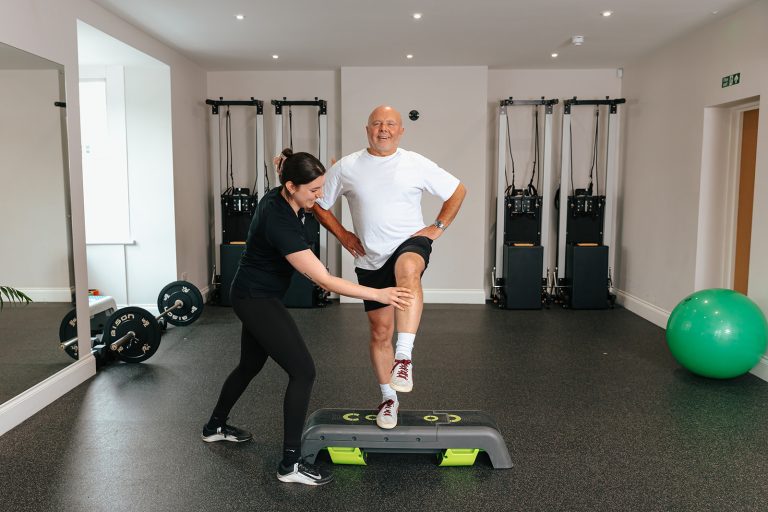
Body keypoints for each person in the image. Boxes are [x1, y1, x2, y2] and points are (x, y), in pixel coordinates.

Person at [202, 149, 414, 486]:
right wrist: (380, 294)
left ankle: (214, 426)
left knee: (249, 365)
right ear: (291, 186)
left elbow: (285, 169)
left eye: (321, 188)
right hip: (256, 299)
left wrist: (286, 163)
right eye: (314, 190)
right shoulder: (280, 221)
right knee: (303, 371)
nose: (320, 196)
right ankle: (290, 464)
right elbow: (325, 280)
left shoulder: (284, 194)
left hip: (253, 292)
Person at [312, 105, 466, 430]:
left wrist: (437, 227)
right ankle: (388, 397)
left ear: (401, 131)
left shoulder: (415, 162)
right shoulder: (347, 167)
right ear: (367, 129)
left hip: (409, 243)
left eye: (390, 124)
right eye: (377, 124)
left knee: (408, 270)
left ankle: (404, 358)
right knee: (380, 332)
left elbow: (457, 190)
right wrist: (343, 235)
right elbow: (319, 205)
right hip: (370, 257)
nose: (384, 129)